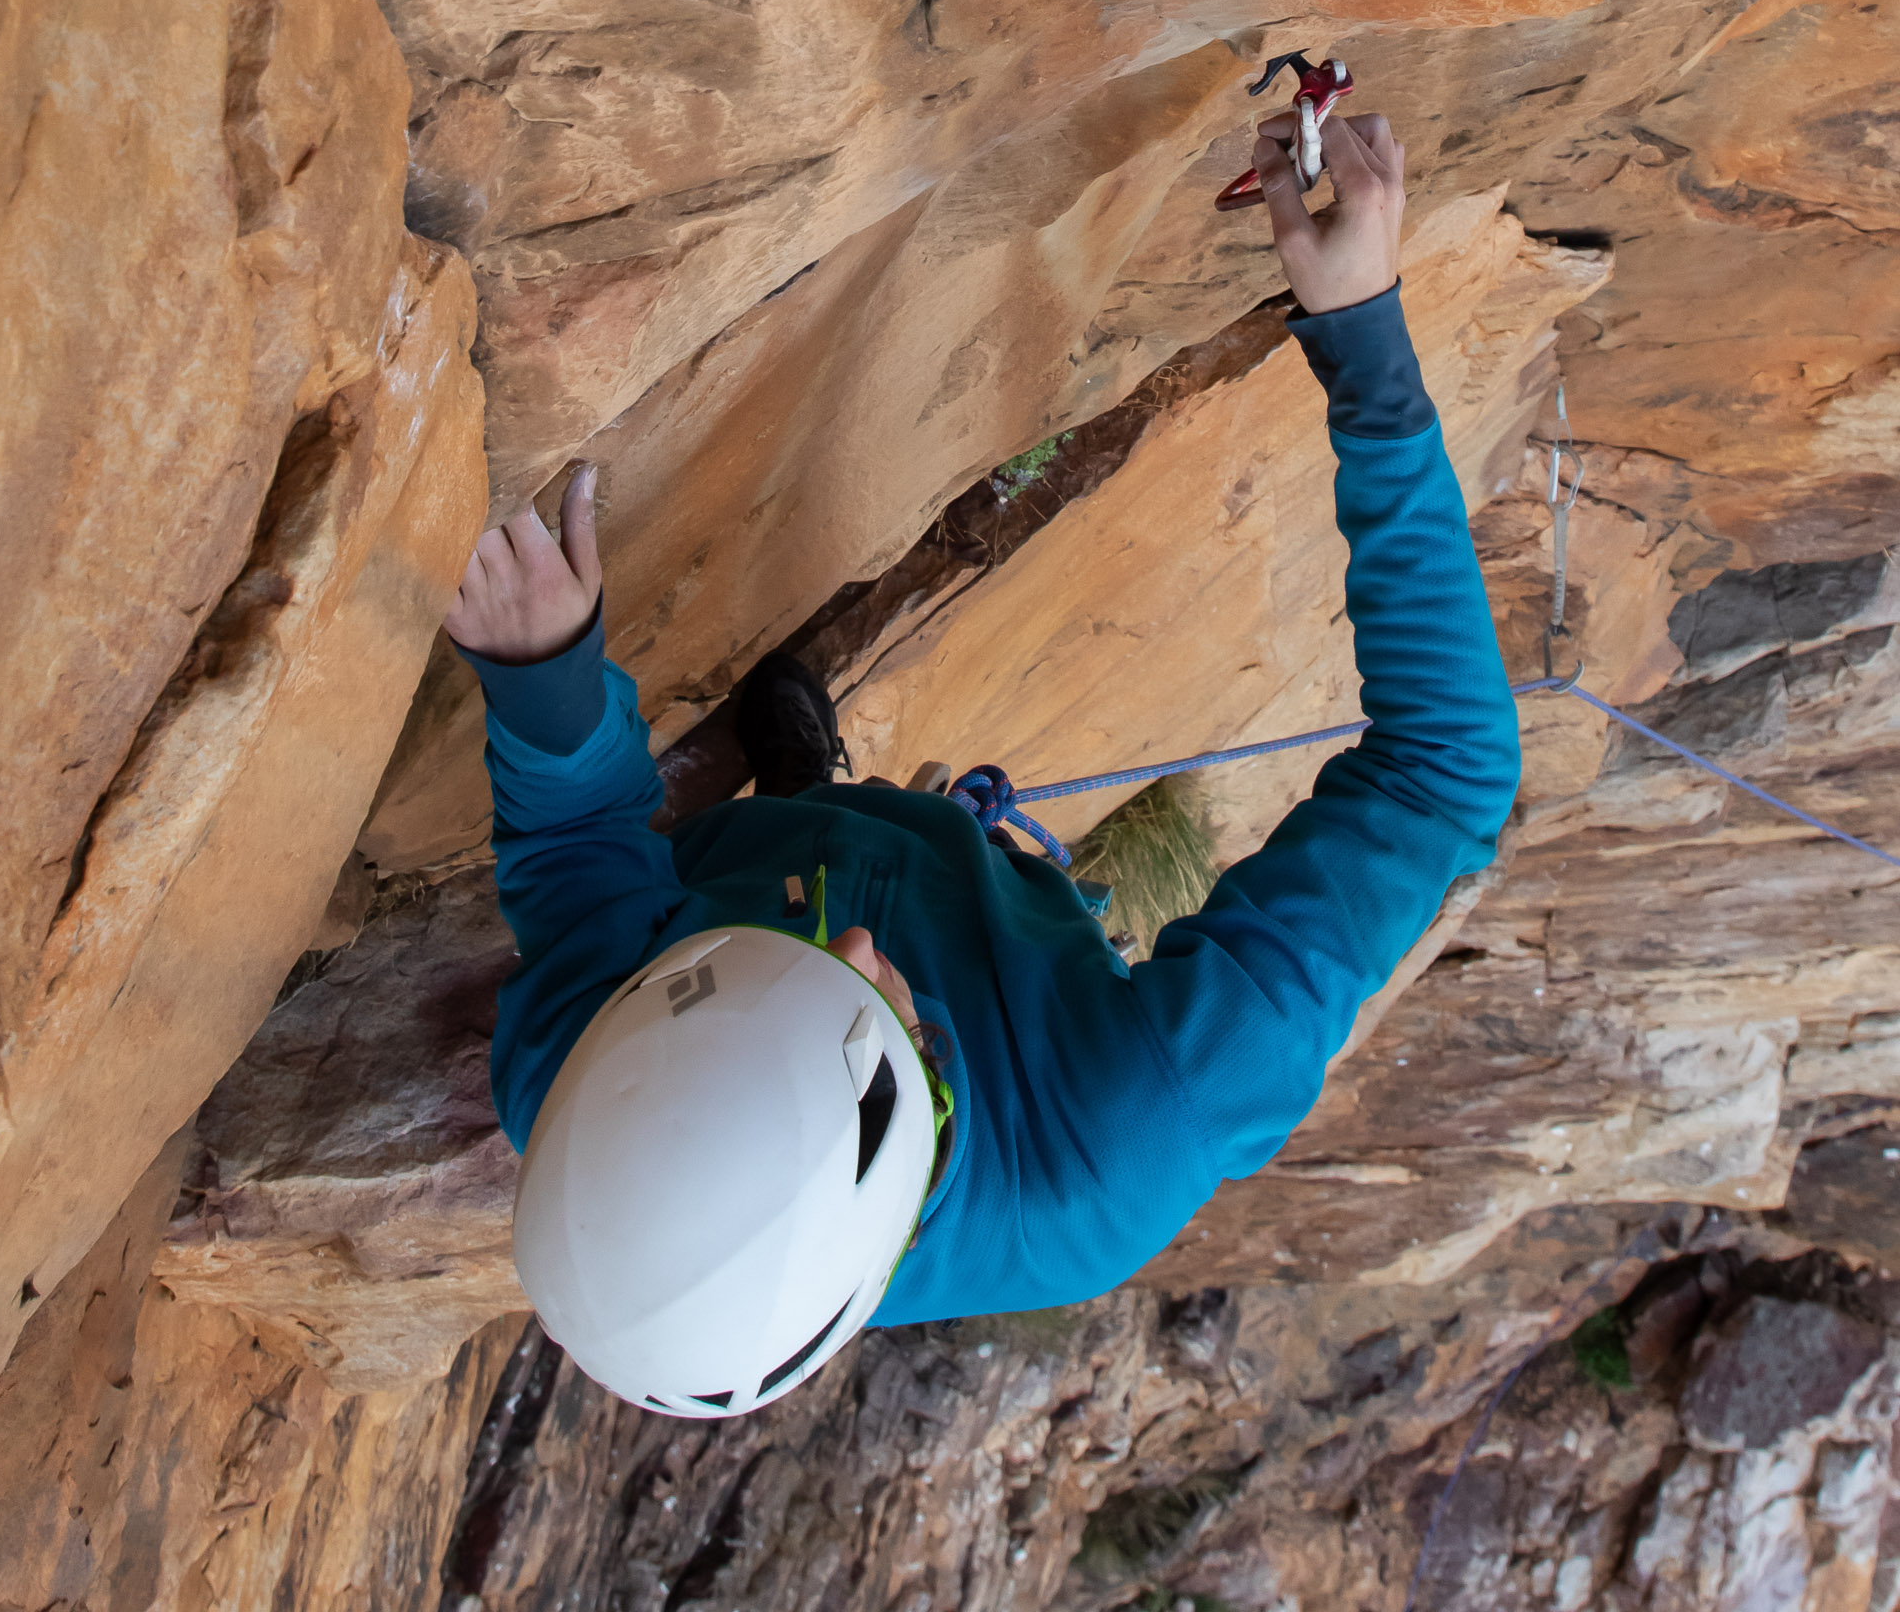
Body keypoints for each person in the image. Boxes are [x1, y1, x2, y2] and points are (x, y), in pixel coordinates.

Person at [444, 109, 1521, 1418]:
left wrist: (549, 686)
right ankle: (829, 806)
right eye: (878, 1009)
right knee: (859, 870)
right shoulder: (1123, 1129)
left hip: (746, 876)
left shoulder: (585, 1068)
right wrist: (1360, 332)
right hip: (981, 948)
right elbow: (1443, 772)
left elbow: (575, 861)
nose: (850, 951)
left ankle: (812, 800)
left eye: (792, 969)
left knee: (786, 866)